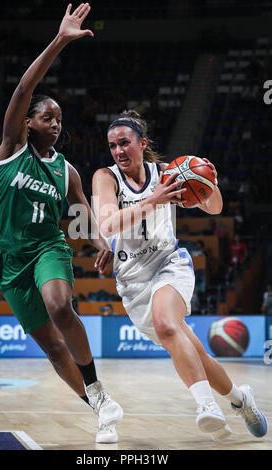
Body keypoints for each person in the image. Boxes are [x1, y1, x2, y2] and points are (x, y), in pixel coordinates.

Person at [0, 3, 122, 444]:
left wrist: (102, 240)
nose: (55, 123)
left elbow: (82, 215)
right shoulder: (11, 148)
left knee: (60, 305)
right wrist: (60, 41)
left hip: (48, 248)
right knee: (50, 347)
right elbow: (26, 86)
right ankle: (100, 406)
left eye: (60, 120)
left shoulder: (67, 171)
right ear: (27, 123)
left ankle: (99, 391)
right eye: (48, 117)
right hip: (9, 260)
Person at [92, 109, 267, 441]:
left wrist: (209, 183)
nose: (118, 151)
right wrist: (153, 201)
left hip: (169, 264)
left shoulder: (168, 173)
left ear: (142, 144)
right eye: (113, 145)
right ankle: (240, 400)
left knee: (166, 323)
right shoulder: (106, 177)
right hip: (133, 282)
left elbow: (214, 208)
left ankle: (206, 408)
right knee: (193, 350)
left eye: (125, 143)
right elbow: (107, 224)